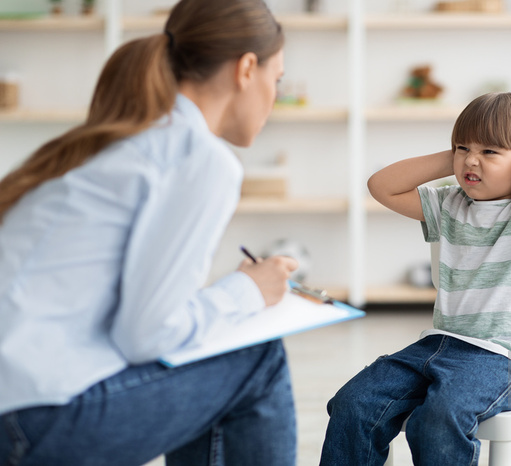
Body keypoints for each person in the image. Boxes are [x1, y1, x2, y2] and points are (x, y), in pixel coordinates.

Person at [0, 1, 300, 465]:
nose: (275, 97)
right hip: (32, 418)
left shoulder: (115, 138)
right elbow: (146, 336)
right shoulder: (198, 155)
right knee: (256, 357)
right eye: (276, 80)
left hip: (15, 399)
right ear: (245, 69)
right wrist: (247, 291)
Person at [319, 92, 511, 465]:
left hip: (507, 358)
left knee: (437, 418)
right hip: (439, 344)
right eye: (463, 148)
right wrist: (457, 156)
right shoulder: (448, 203)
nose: (471, 160)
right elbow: (380, 185)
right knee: (353, 404)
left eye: (491, 152)